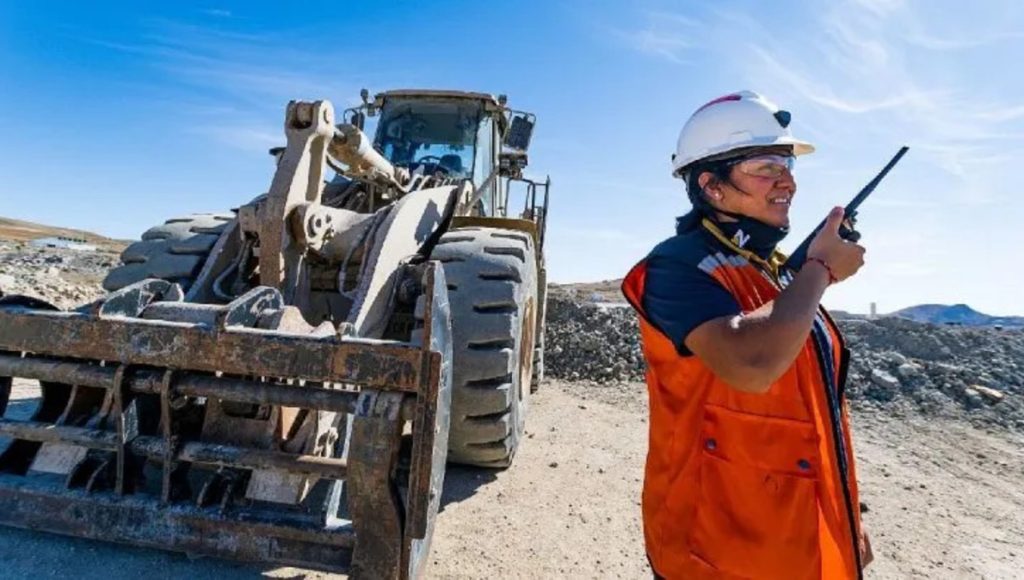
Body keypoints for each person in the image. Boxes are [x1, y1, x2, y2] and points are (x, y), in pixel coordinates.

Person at [621, 91, 873, 579]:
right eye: (766, 167)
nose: (788, 182)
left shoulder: (772, 274)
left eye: (788, 165)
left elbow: (813, 406)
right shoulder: (676, 267)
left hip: (785, 538)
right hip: (715, 547)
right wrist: (819, 268)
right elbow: (752, 364)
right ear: (712, 186)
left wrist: (844, 518)